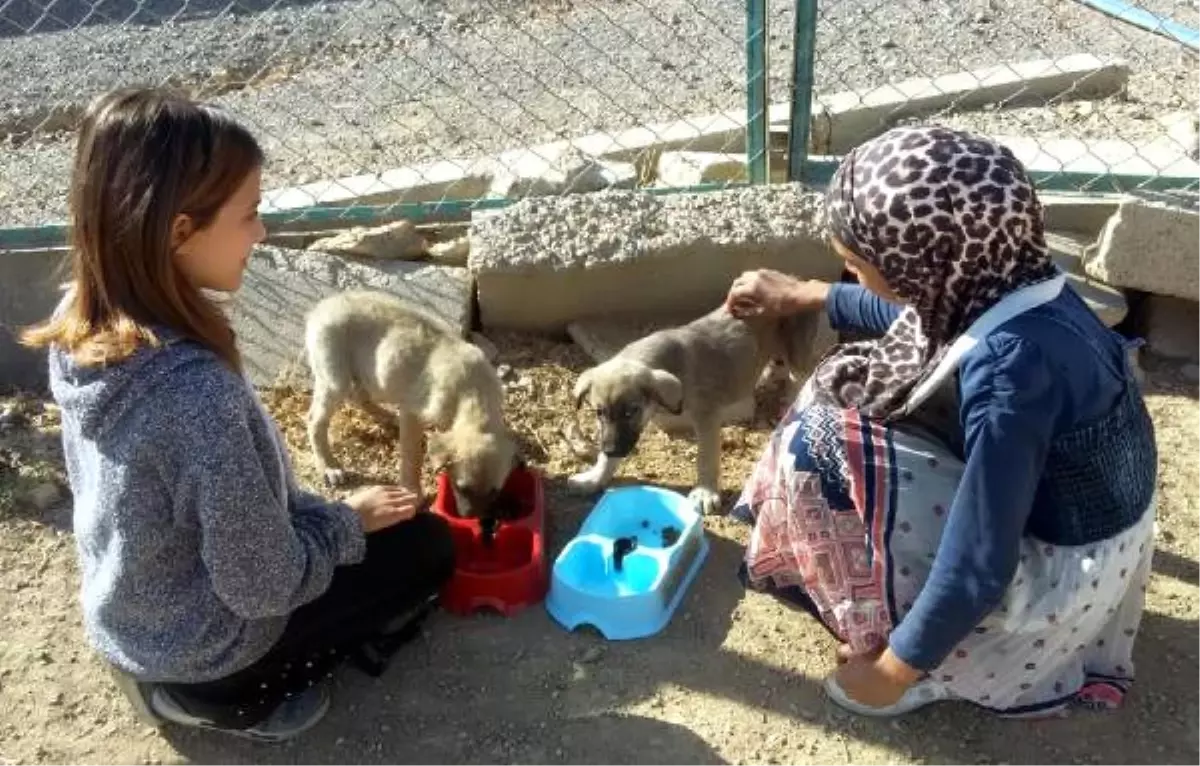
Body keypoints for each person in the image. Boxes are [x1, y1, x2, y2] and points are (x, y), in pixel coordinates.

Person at [20, 87, 456, 742]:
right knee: (426, 550)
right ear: (179, 232)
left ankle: (177, 678)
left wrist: (313, 517)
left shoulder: (80, 315)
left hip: (130, 611)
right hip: (201, 652)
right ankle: (221, 702)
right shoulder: (197, 398)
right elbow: (262, 588)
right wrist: (345, 523)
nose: (263, 231)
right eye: (250, 213)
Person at [724, 125, 1157, 719]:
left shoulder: (1010, 373)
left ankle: (944, 661)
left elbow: (979, 564)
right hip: (1085, 527)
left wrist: (892, 672)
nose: (851, 277)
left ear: (923, 265)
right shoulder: (1015, 279)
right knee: (849, 382)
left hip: (1052, 579)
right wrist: (808, 293)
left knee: (818, 444)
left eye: (856, 265)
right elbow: (917, 316)